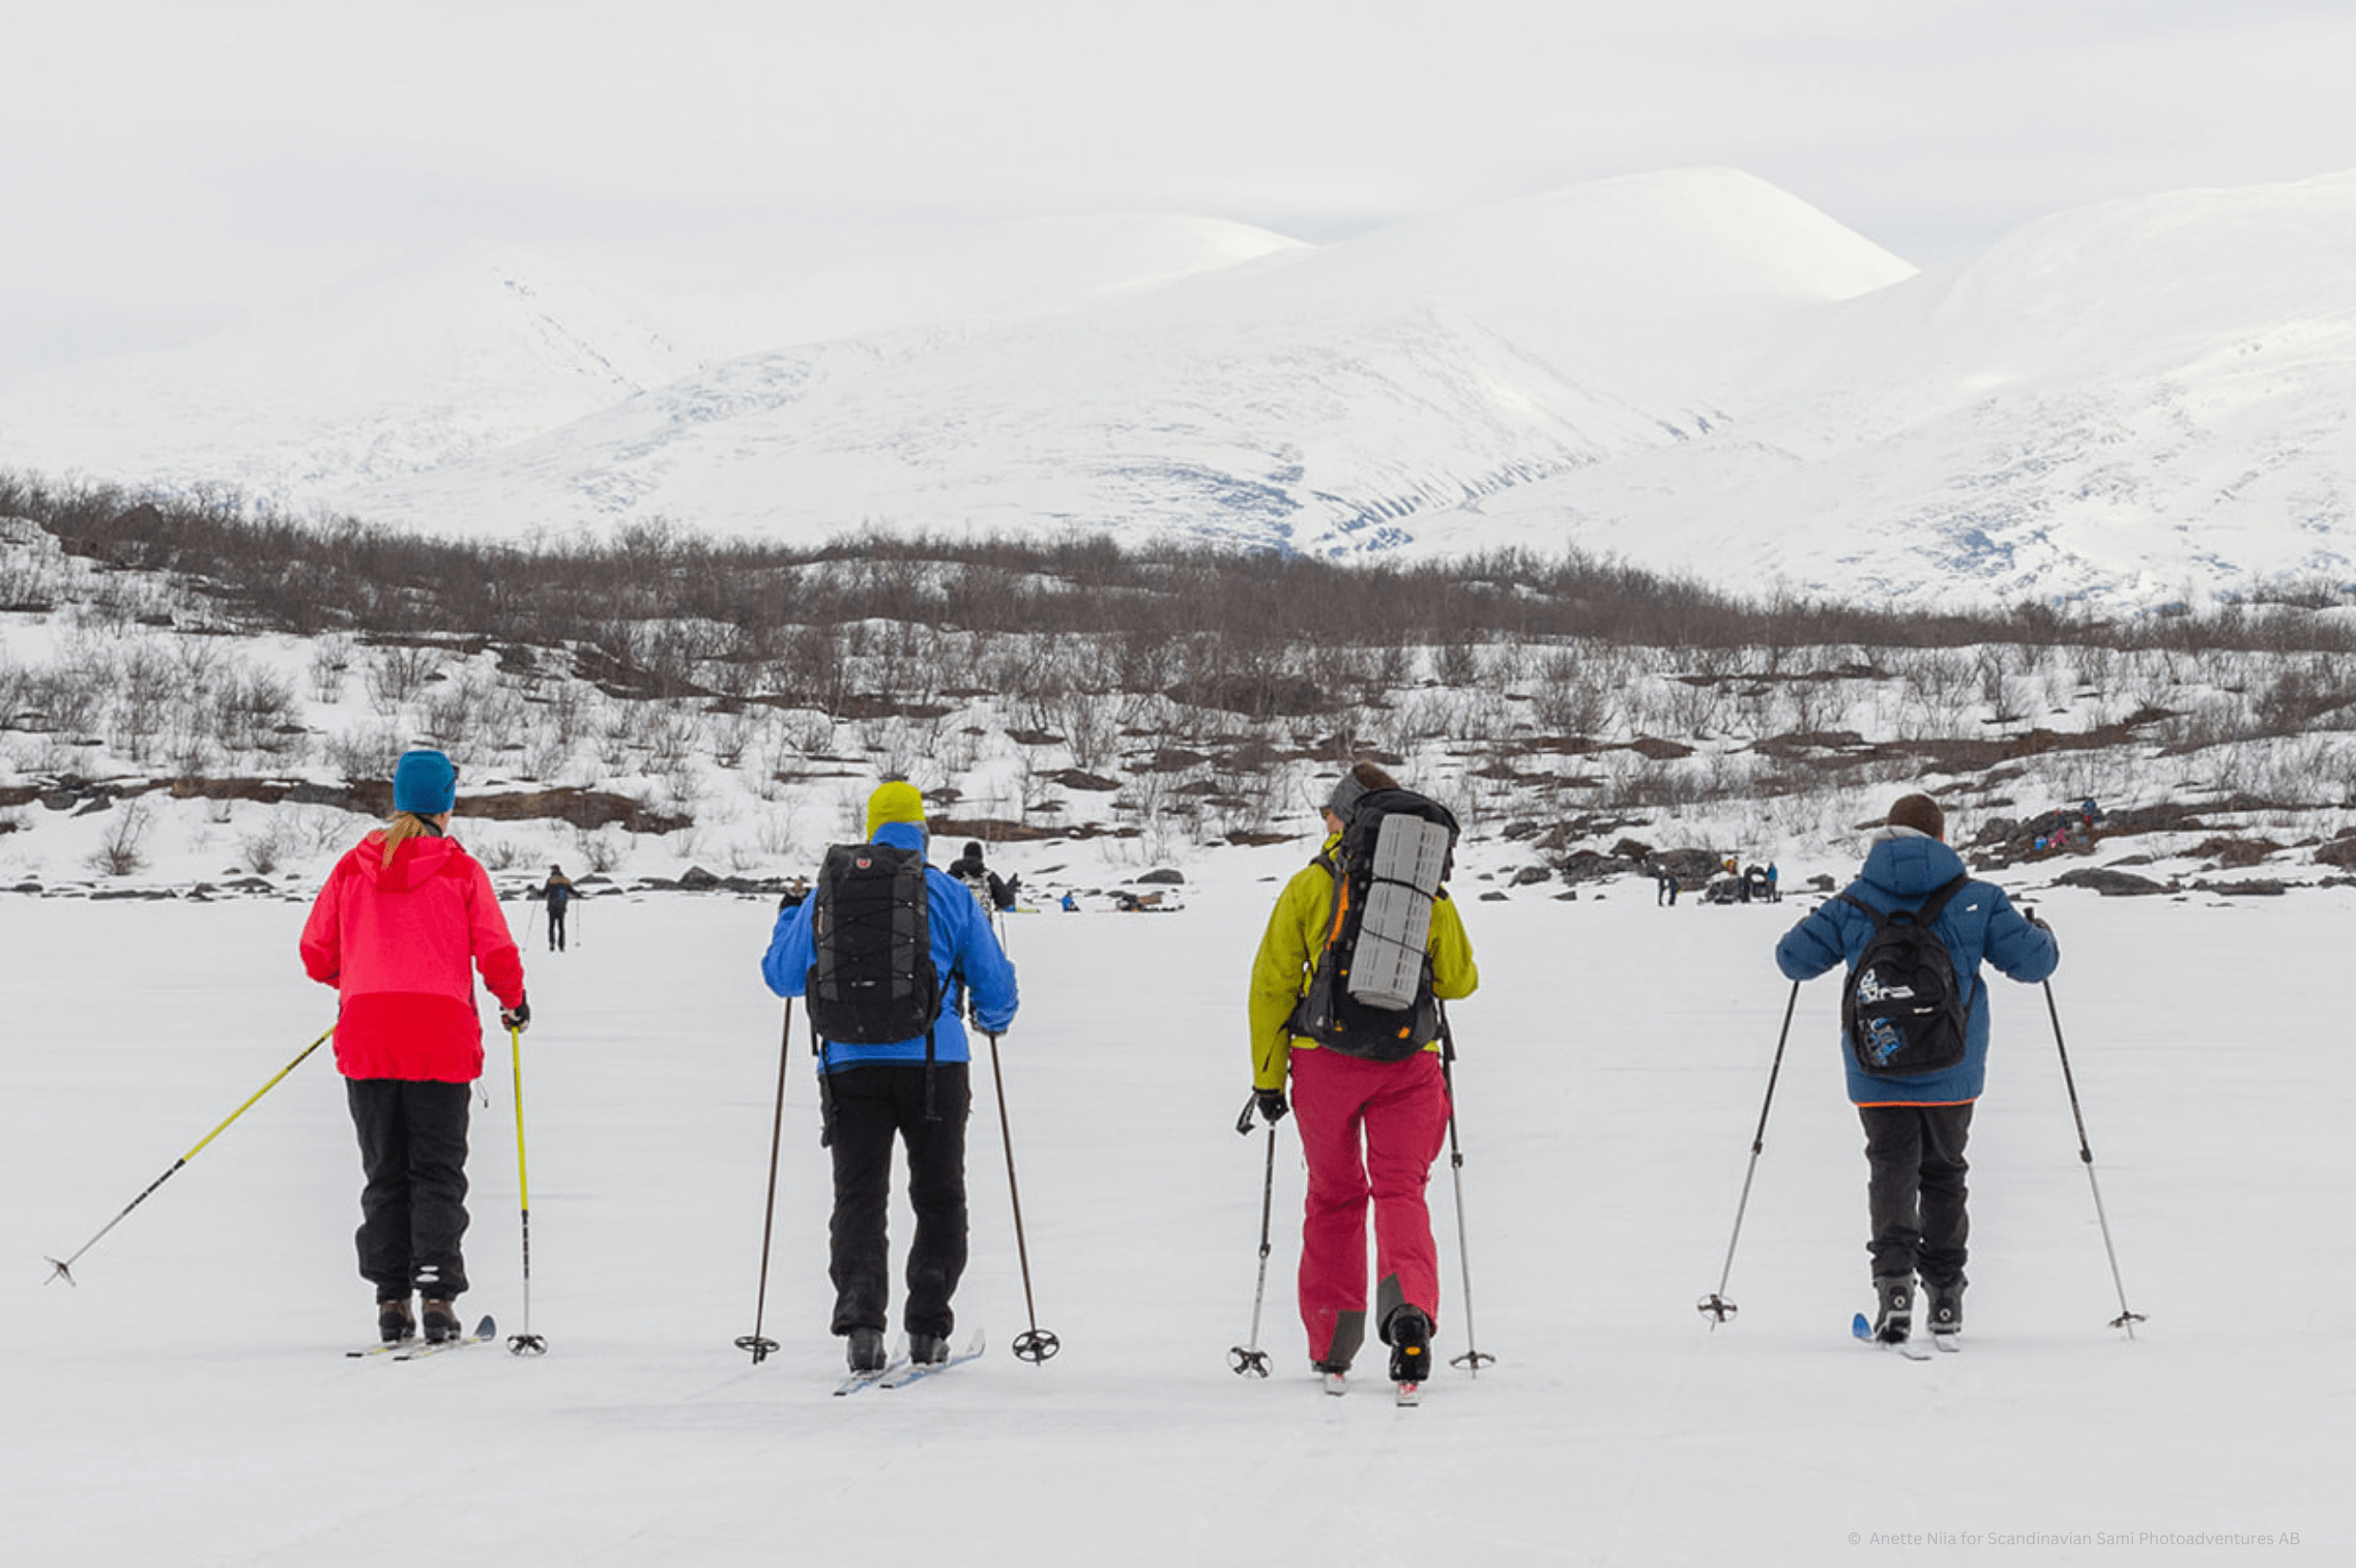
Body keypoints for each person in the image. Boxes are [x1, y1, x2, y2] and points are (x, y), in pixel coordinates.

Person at [1773, 792, 2058, 1346]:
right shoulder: (1979, 899)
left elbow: (1793, 960)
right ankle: (1946, 1299)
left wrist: (1816, 921)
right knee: (1946, 1171)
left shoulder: (1853, 902)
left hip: (1876, 1067)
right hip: (1954, 1068)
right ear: (1942, 838)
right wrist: (2042, 931)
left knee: (1891, 1169)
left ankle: (1894, 1290)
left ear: (1885, 835)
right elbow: (2035, 964)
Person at [760, 782, 1019, 1372]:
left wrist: (787, 920)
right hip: (935, 1063)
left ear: (871, 828)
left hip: (850, 1064)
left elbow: (781, 976)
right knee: (938, 1194)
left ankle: (861, 1326)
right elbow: (995, 984)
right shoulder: (950, 893)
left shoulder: (831, 889)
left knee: (858, 1195)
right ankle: (927, 1327)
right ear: (922, 831)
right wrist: (994, 1021)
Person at [1246, 762, 1479, 1387]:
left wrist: (1268, 1081)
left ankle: (1333, 1339)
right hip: (1409, 1064)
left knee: (1333, 1195)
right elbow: (1460, 979)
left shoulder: (1311, 883)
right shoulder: (1424, 885)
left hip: (1324, 1063)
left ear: (1344, 815)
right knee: (1401, 1189)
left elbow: (1271, 984)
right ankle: (1409, 1316)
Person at [299, 749, 529, 1345]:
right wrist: (513, 1001)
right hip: (440, 1039)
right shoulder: (460, 869)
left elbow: (316, 952)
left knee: (385, 1172)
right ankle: (437, 1295)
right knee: (436, 1170)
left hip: (369, 1036)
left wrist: (364, 984)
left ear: (400, 800)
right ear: (446, 805)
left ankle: (392, 1301)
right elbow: (497, 951)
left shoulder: (353, 867)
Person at [946, 840, 1018, 913]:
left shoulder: (951, 874)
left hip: (955, 921)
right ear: (981, 856)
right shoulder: (989, 876)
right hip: (981, 922)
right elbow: (1006, 902)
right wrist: (1010, 890)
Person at [541, 864, 576, 951]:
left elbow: (544, 893)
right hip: (562, 906)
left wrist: (537, 894)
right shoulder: (565, 880)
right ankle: (561, 945)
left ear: (553, 871)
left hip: (552, 906)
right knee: (561, 927)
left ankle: (552, 944)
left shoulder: (550, 880)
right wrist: (579, 894)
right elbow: (572, 891)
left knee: (551, 926)